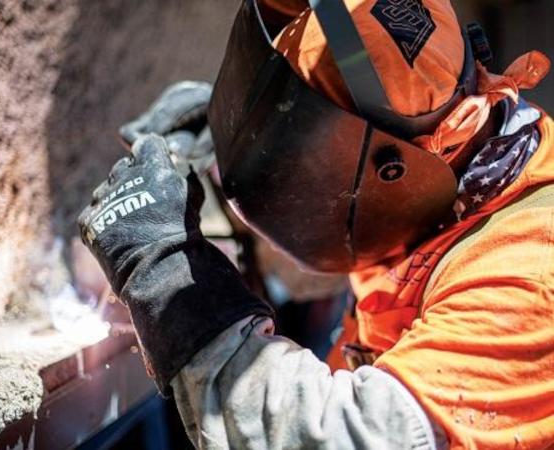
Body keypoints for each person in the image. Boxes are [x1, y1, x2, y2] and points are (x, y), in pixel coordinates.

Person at [78, 0, 554, 448]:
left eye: (303, 162)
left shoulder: (529, 280)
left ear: (395, 168)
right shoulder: (459, 188)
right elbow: (341, 254)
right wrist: (232, 163)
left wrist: (164, 270)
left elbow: (339, 436)